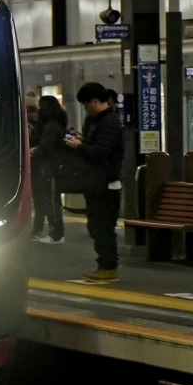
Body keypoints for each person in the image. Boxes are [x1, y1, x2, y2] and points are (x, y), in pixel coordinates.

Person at [64, 81, 124, 283]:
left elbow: (102, 153)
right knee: (95, 226)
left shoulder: (109, 123)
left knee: (103, 227)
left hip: (106, 183)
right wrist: (82, 140)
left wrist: (79, 146)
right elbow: (95, 147)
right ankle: (105, 266)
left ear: (96, 101)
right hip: (95, 182)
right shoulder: (95, 120)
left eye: (86, 104)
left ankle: (108, 267)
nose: (85, 109)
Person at [29, 95, 68, 243]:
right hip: (50, 165)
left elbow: (46, 146)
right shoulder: (57, 123)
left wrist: (35, 151)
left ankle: (56, 233)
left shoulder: (51, 126)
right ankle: (51, 231)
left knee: (50, 200)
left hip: (48, 166)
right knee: (47, 199)